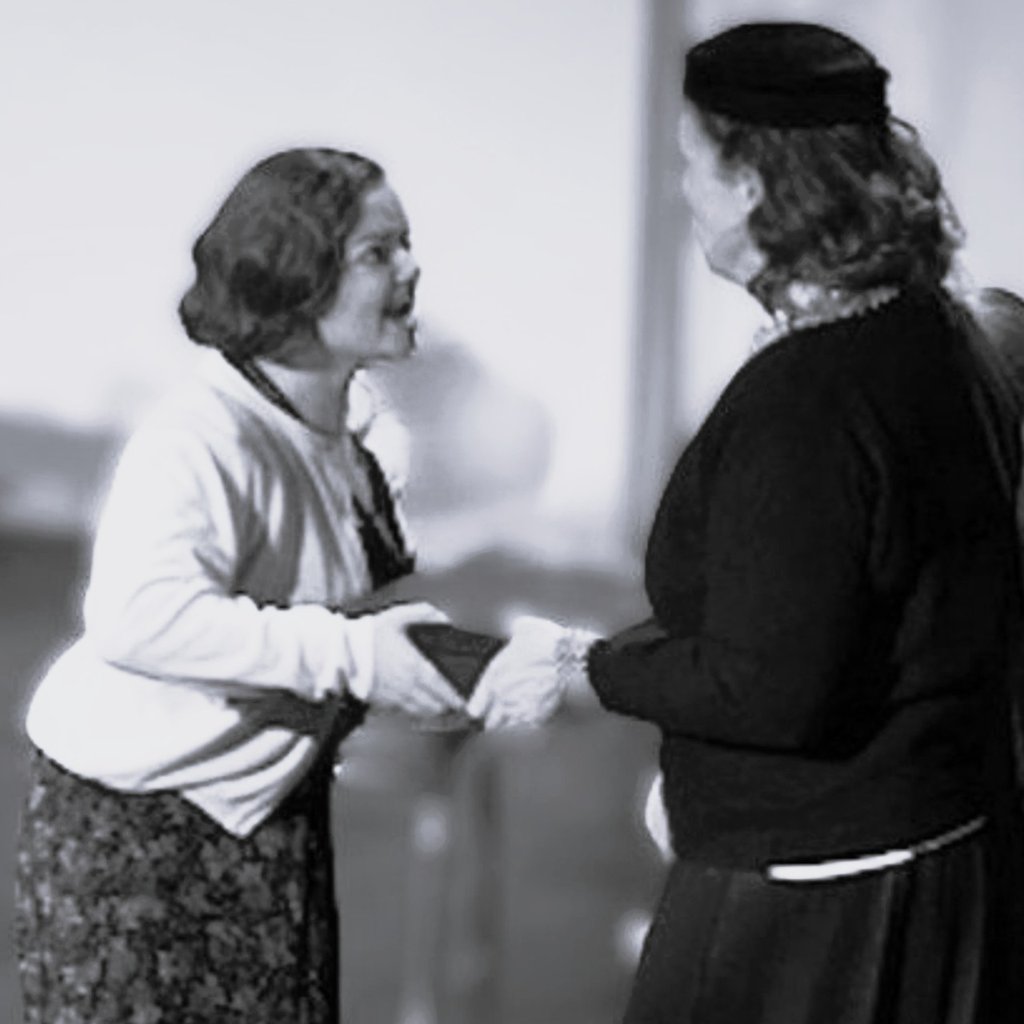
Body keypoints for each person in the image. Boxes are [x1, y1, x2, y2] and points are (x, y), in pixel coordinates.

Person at [470, 22, 1024, 1024]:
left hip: (813, 907)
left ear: (755, 186)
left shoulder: (806, 400)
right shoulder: (930, 335)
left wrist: (576, 665)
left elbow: (768, 688)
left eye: (691, 162)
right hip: (936, 863)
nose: (679, 190)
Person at [14, 148, 467, 1024]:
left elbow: (345, 623)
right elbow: (136, 617)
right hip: (141, 841)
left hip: (262, 826)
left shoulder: (349, 439)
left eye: (407, 245)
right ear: (299, 281)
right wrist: (352, 656)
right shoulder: (202, 438)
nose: (413, 268)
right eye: (380, 252)